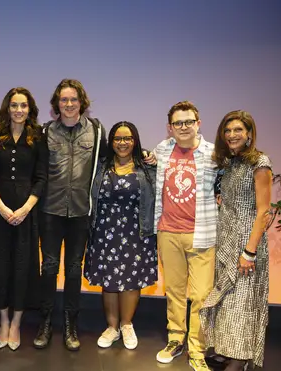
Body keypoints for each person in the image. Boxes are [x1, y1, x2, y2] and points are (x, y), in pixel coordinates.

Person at [33, 78, 108, 351]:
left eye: (73, 99)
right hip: (50, 211)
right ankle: (45, 323)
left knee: (74, 270)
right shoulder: (44, 132)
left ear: (81, 102)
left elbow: (111, 161)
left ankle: (69, 326)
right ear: (56, 104)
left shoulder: (97, 131)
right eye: (63, 100)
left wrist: (144, 155)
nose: (68, 104)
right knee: (49, 267)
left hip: (80, 212)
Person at [0, 87, 48, 351]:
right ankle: (3, 321)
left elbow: (41, 177)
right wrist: (0, 206)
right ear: (8, 108)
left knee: (23, 267)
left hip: (27, 214)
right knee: (1, 266)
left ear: (30, 110)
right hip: (0, 212)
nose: (19, 110)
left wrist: (26, 208)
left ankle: (17, 323)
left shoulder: (38, 138)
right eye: (14, 105)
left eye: (24, 106)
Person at [200, 110, 272, 370]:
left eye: (238, 130)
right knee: (227, 300)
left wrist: (250, 251)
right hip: (226, 238)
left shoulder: (259, 162)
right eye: (228, 130)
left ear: (249, 133)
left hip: (247, 241)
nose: (232, 135)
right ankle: (226, 350)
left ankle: (240, 359)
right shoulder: (229, 162)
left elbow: (264, 210)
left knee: (242, 302)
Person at [154, 101, 218, 371]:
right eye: (178, 123)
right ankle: (175, 338)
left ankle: (197, 348)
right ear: (170, 127)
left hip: (202, 233)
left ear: (198, 123)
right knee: (175, 291)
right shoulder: (162, 149)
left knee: (202, 294)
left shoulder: (214, 154)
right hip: (168, 231)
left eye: (188, 121)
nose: (183, 127)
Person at [84, 121, 157, 350]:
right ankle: (112, 327)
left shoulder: (146, 167)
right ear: (111, 142)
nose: (122, 143)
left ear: (135, 141)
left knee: (131, 281)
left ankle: (127, 325)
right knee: (109, 280)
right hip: (105, 231)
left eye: (127, 138)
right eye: (117, 138)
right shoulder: (100, 166)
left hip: (137, 232)